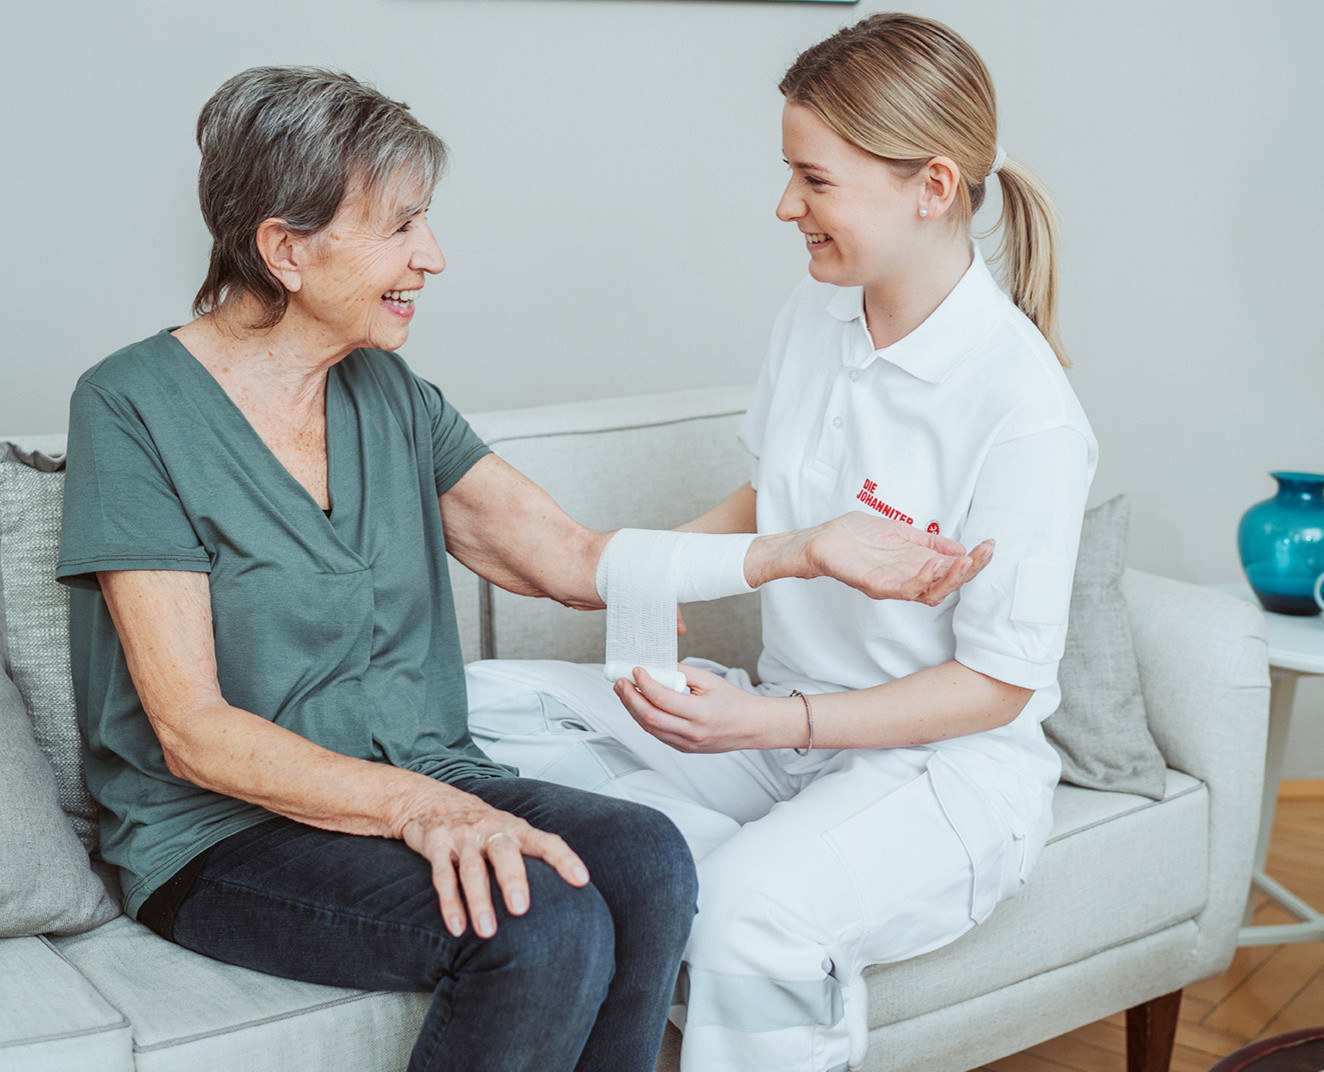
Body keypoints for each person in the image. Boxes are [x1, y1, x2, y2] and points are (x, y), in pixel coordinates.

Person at [56, 66, 992, 1072]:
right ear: (287, 248)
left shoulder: (390, 394)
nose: (433, 257)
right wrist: (425, 810)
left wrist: (798, 547)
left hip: (421, 776)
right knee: (537, 922)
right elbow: (193, 732)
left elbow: (565, 555)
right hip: (221, 838)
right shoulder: (131, 407)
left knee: (644, 860)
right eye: (401, 227)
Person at [465, 14, 1098, 1072]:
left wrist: (775, 718)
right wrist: (649, 577)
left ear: (930, 186)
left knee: (749, 915)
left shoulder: (1022, 406)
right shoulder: (817, 315)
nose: (784, 205)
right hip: (783, 737)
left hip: (939, 776)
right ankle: (716, 860)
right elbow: (770, 502)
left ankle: (749, 889)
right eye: (787, 173)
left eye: (814, 180)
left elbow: (996, 685)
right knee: (471, 705)